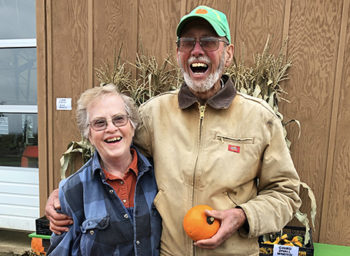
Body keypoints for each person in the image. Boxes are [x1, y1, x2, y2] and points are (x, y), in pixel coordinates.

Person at [46, 5, 301, 256]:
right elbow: (117, 161)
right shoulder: (153, 114)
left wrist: (243, 216)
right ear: (178, 52)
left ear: (229, 53)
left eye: (209, 42)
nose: (197, 51)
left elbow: (285, 193)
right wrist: (64, 195)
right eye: (187, 42)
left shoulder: (259, 118)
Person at [47, 84, 161, 255]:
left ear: (132, 125)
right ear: (88, 135)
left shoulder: (159, 176)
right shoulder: (73, 190)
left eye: (119, 119)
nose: (111, 128)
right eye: (99, 123)